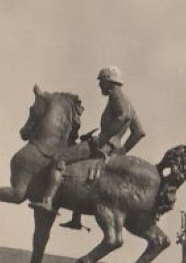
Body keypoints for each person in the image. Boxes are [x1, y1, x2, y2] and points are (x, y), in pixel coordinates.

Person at [33, 66, 146, 227]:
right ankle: (76, 219)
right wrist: (122, 150)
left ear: (109, 82)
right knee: (79, 167)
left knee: (60, 157)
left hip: (102, 146)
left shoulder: (116, 96)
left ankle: (48, 201)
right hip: (113, 148)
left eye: (101, 82)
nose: (100, 85)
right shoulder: (129, 103)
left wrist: (102, 139)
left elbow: (123, 116)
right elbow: (139, 132)